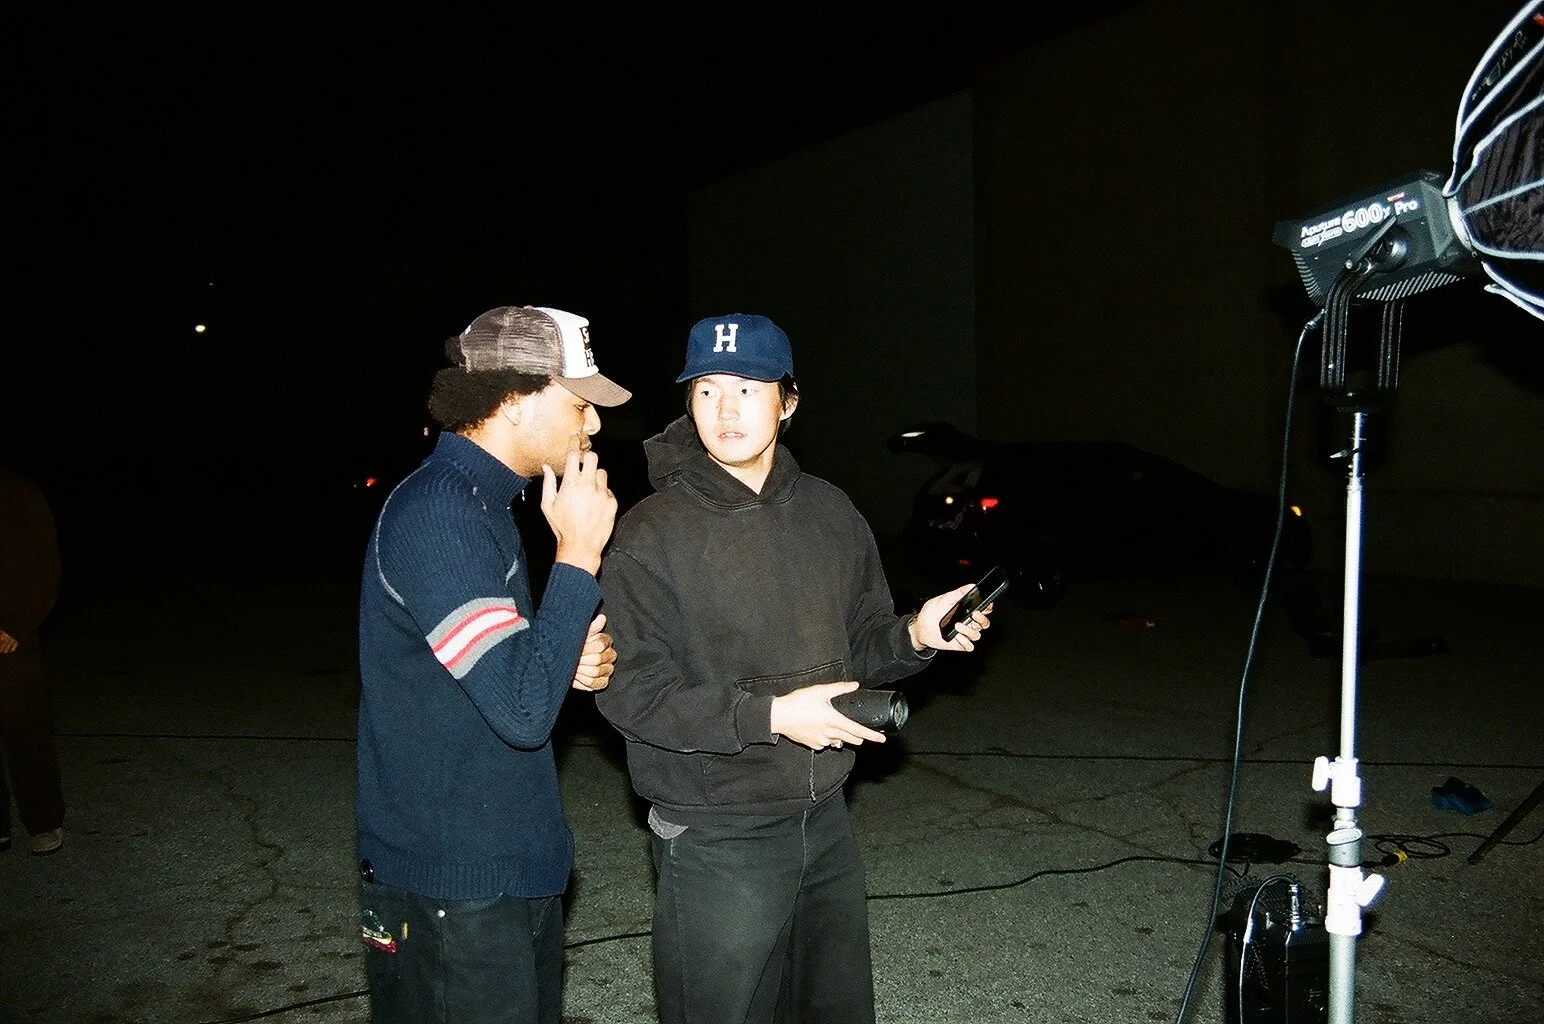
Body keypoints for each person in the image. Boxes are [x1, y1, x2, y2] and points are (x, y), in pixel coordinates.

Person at [594, 313, 996, 1024]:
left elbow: (862, 644)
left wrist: (917, 633)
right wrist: (775, 716)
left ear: (789, 402)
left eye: (749, 390)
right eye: (708, 390)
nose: (726, 410)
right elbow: (631, 690)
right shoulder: (650, 533)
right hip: (717, 829)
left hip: (825, 818)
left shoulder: (830, 512)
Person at [354, 305, 631, 1024]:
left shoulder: (483, 503)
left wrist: (557, 655)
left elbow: (500, 673)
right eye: (578, 403)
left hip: (497, 869)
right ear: (511, 399)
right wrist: (578, 556)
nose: (593, 423)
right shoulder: (439, 511)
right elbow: (522, 713)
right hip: (454, 884)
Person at [0, 466, 67, 857]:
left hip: (12, 639)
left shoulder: (19, 493)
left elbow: (47, 568)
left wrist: (17, 625)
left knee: (24, 730)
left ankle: (44, 821)